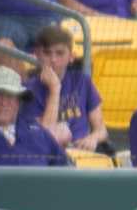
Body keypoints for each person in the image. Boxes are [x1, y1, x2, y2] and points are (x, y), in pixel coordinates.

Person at [0, 64, 65, 165]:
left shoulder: (38, 132)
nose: (4, 102)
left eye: (10, 96)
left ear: (19, 101)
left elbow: (65, 169)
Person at [19, 24, 102, 153]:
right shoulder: (28, 90)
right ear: (36, 55)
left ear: (71, 57)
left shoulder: (82, 81)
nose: (53, 59)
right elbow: (44, 137)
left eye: (60, 53)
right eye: (47, 53)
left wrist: (93, 138)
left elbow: (101, 129)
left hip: (82, 152)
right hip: (50, 156)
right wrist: (54, 89)